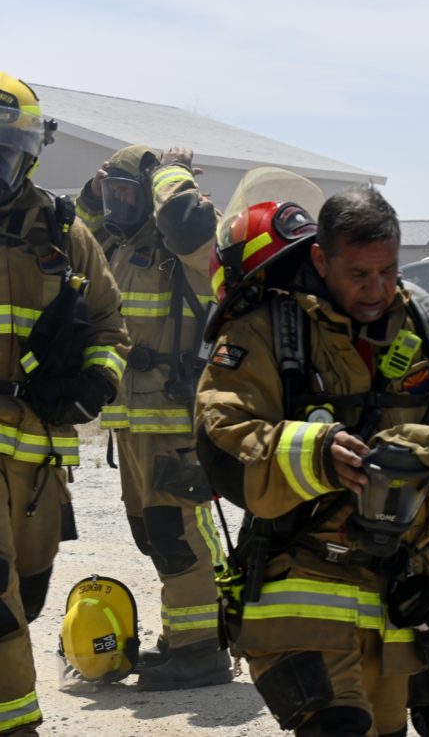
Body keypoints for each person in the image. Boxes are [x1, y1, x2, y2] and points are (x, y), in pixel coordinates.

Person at [195, 177, 429, 737]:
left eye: (388, 271)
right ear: (321, 259)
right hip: (299, 588)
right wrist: (315, 453)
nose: (377, 289)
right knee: (337, 726)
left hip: (397, 596)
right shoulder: (266, 331)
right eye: (359, 274)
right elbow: (223, 434)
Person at [0, 72, 129, 737]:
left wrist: (96, 381)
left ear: (28, 154)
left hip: (37, 460)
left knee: (26, 594)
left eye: (5, 152)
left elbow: (110, 322)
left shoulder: (60, 230)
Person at [74, 144, 230, 690]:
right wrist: (95, 193)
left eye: (126, 194)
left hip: (172, 418)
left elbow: (191, 227)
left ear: (151, 197)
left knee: (176, 534)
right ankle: (184, 638)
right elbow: (74, 238)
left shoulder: (181, 247)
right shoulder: (117, 244)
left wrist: (170, 174)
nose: (116, 206)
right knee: (153, 535)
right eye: (110, 195)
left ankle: (201, 650)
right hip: (131, 419)